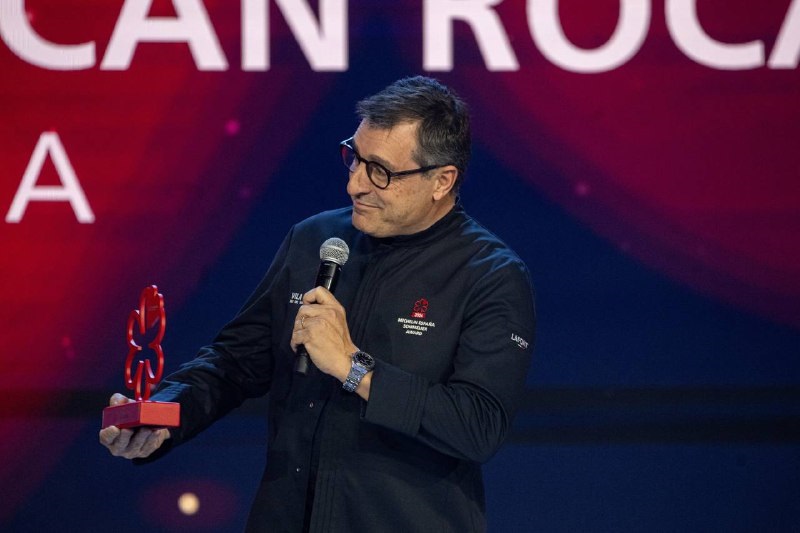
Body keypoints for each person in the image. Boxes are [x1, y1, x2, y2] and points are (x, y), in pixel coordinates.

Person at [99, 76, 536, 532]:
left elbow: (478, 426)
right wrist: (164, 415)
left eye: (381, 172)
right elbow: (234, 362)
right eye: (355, 158)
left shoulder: (490, 275)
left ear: (441, 181)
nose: (355, 185)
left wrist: (354, 367)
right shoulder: (315, 240)